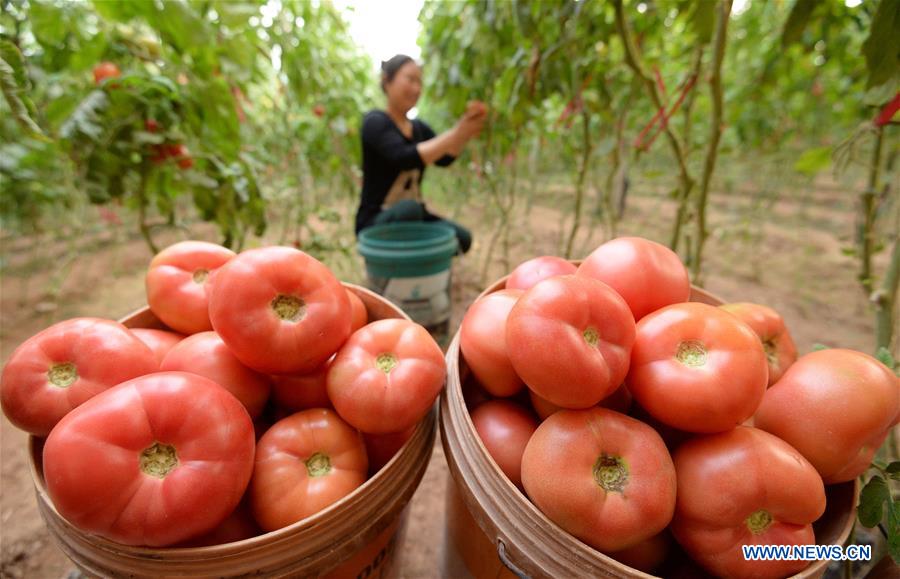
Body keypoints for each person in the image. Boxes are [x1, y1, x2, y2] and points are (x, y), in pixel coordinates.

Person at [355, 54, 487, 254]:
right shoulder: (375, 122)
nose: (416, 88)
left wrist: (465, 133)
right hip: (376, 221)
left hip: (412, 216)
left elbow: (445, 158)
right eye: (410, 79)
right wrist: (456, 133)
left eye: (419, 82)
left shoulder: (419, 129)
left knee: (462, 239)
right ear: (387, 81)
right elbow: (404, 158)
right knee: (410, 209)